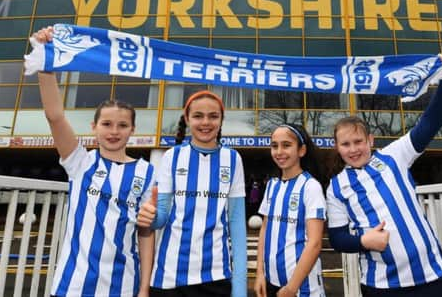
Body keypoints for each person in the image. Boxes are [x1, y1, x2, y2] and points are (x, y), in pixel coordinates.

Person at [30, 26, 155, 297]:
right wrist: (46, 63)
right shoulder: (80, 162)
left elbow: (145, 235)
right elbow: (55, 116)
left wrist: (144, 288)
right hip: (72, 286)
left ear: (132, 130)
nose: (114, 131)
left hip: (123, 286)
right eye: (107, 124)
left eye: (122, 125)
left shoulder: (147, 172)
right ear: (94, 127)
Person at [326, 54, 442, 297]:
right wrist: (363, 242)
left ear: (370, 140)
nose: (353, 149)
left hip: (433, 278)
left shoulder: (393, 156)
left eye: (359, 141)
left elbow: (429, 123)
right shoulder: (336, 187)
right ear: (337, 147)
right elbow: (337, 238)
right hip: (382, 287)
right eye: (346, 144)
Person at [137, 90, 247, 297]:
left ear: (221, 120)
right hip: (169, 276)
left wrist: (240, 287)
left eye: (213, 116)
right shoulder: (172, 156)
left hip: (215, 277)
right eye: (198, 116)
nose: (206, 122)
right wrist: (149, 217)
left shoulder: (233, 159)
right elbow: (161, 217)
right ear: (187, 119)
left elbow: (237, 223)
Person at [255, 123, 327, 297]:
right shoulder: (272, 185)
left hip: (301, 288)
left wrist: (291, 288)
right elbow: (265, 229)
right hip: (271, 283)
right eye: (274, 146)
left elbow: (315, 243)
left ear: (301, 150)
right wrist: (259, 273)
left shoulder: (311, 187)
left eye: (286, 145)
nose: (279, 152)